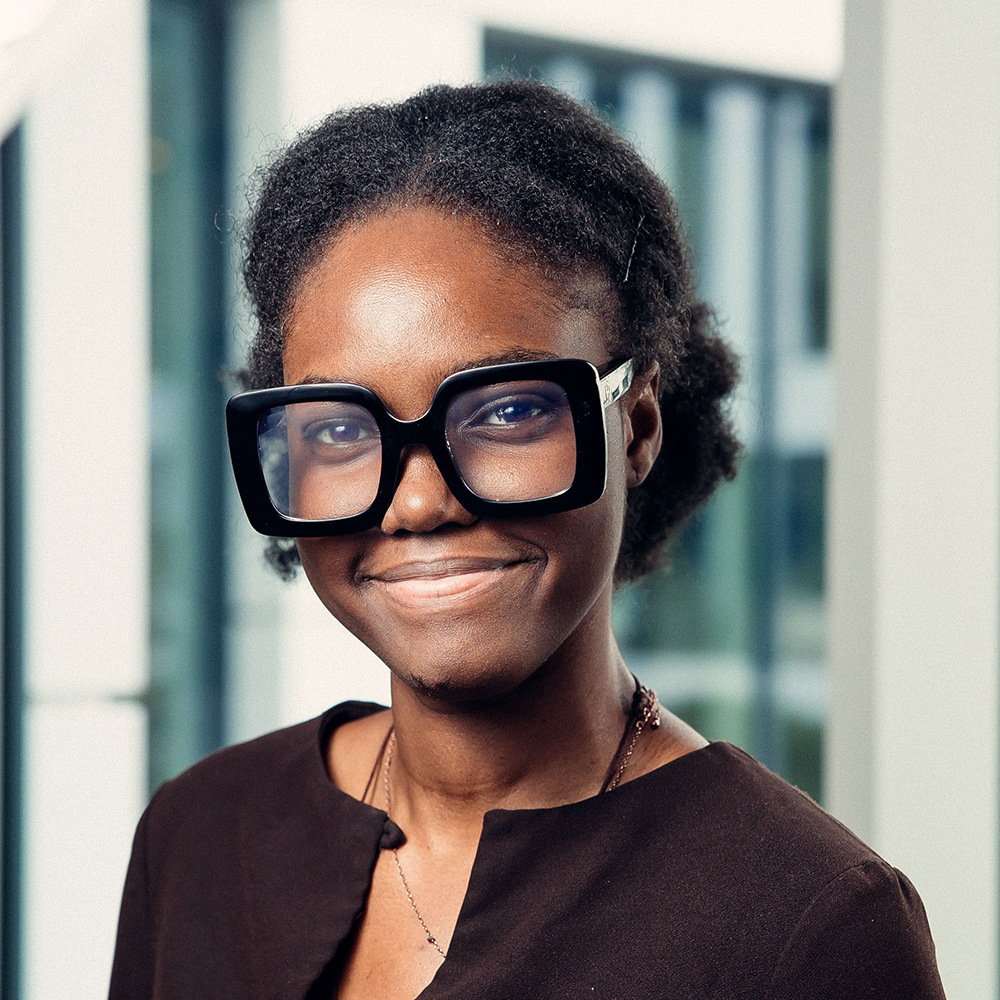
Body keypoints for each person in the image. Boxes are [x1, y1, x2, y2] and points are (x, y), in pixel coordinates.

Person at [109, 79, 945, 1000]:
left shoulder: (811, 926)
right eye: (342, 429)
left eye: (506, 411)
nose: (417, 503)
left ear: (637, 425)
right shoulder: (201, 834)